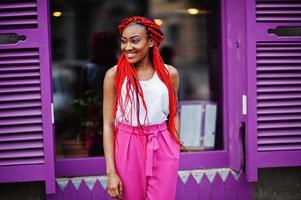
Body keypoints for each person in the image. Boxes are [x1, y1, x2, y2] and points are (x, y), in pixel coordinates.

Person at [103, 16, 183, 200]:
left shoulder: (169, 74)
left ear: (151, 42)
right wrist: (111, 173)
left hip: (162, 143)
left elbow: (174, 112)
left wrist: (174, 145)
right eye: (124, 41)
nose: (127, 47)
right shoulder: (114, 76)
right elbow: (108, 125)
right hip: (128, 142)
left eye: (135, 40)